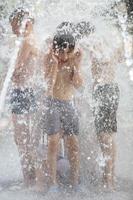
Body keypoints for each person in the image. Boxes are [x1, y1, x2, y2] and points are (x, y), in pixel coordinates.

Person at [41, 32, 83, 192]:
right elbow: (48, 89)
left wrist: (77, 67)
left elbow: (78, 85)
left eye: (68, 52)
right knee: (53, 143)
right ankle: (52, 183)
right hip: (52, 103)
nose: (64, 56)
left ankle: (75, 182)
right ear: (54, 49)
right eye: (60, 51)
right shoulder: (48, 59)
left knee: (74, 144)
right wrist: (53, 66)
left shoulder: (73, 60)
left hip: (68, 103)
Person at [89, 24, 123, 190]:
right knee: (108, 135)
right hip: (108, 90)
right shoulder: (111, 45)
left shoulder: (100, 46)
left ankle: (108, 181)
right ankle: (110, 177)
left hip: (105, 90)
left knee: (104, 136)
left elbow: (106, 60)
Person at [9, 8, 38, 187]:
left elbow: (15, 69)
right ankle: (31, 178)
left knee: (22, 138)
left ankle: (29, 180)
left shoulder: (27, 42)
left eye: (14, 26)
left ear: (26, 23)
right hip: (27, 92)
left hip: (24, 92)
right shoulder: (30, 40)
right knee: (25, 138)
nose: (13, 31)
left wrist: (15, 73)